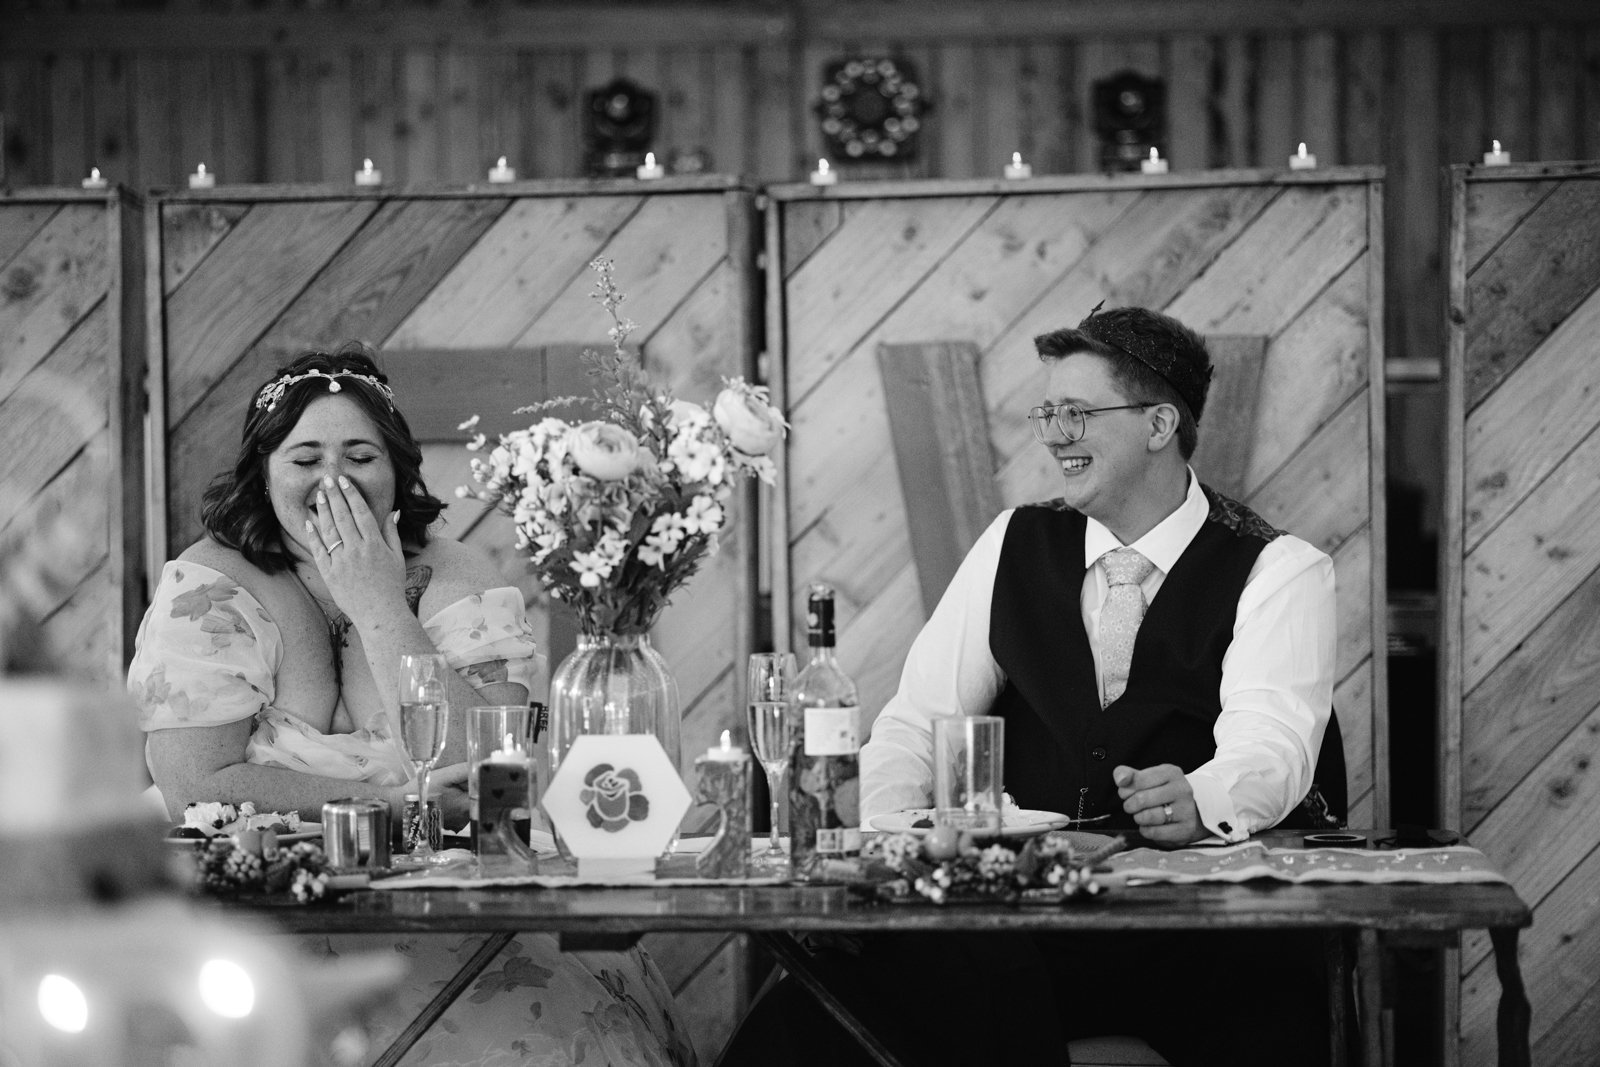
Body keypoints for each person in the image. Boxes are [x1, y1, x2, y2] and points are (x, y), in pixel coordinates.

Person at [723, 306, 1341, 1067]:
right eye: (1046, 411)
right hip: (1026, 926)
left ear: (1158, 425)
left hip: (1188, 932)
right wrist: (901, 834)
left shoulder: (1281, 569)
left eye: (1076, 412)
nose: (1052, 433)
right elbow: (916, 720)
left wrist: (1202, 798)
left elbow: (1273, 742)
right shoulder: (1012, 541)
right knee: (814, 999)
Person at [128, 343, 698, 1067]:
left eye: (360, 455)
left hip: (454, 915)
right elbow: (196, 788)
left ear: (396, 468)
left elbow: (492, 768)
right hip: (261, 920)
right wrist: (388, 802)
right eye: (305, 459)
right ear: (264, 472)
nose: (334, 478)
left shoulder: (453, 572)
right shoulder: (210, 585)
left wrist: (378, 605)